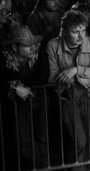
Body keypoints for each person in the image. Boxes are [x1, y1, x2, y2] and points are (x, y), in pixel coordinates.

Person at [46, 10, 90, 164]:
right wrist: (80, 78)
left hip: (88, 94)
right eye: (75, 31)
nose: (81, 36)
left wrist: (75, 71)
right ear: (64, 31)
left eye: (83, 30)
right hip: (67, 97)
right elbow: (52, 76)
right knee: (79, 140)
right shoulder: (53, 45)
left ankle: (78, 166)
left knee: (85, 138)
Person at [0, 25, 49, 169]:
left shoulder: (38, 54)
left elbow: (43, 77)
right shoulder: (4, 60)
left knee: (42, 138)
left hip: (39, 100)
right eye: (27, 45)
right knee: (24, 144)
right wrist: (15, 87)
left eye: (33, 43)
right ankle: (53, 164)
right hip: (17, 107)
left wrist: (17, 84)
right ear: (15, 47)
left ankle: (48, 166)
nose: (33, 48)